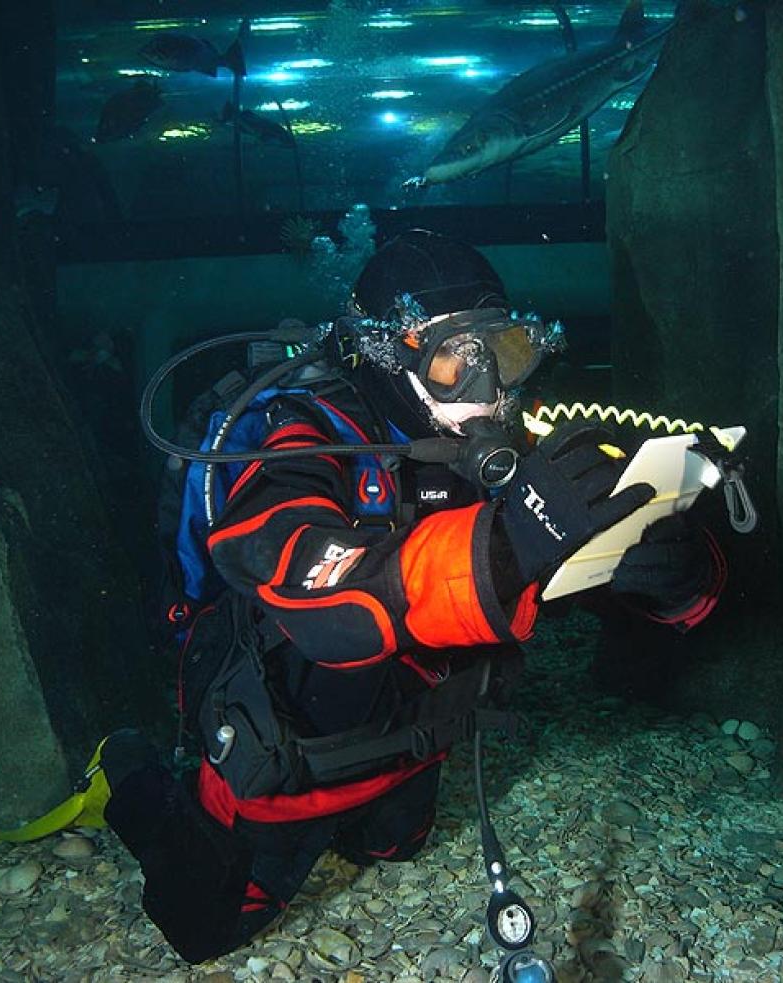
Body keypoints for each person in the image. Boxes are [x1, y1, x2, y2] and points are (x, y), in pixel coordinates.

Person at [98, 230, 727, 962]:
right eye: (457, 360)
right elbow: (310, 588)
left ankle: (367, 813)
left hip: (415, 741)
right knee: (199, 929)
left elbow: (626, 585)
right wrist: (509, 544)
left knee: (395, 848)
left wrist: (675, 573)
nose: (490, 390)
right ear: (387, 355)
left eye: (510, 354)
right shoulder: (296, 434)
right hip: (283, 758)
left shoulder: (496, 443)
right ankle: (126, 768)